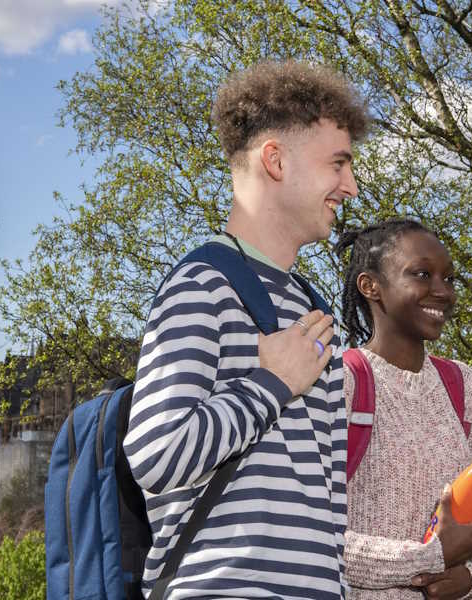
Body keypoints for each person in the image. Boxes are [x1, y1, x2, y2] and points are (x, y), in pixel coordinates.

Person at [123, 60, 370, 599]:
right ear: (275, 161)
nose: (350, 187)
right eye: (338, 164)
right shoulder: (201, 286)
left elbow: (325, 508)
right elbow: (156, 456)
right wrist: (272, 384)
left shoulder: (310, 304)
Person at [335, 218, 472, 600]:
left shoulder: (462, 383)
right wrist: (429, 557)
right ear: (370, 286)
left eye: (448, 279)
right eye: (422, 274)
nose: (443, 292)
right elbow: (312, 533)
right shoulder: (342, 381)